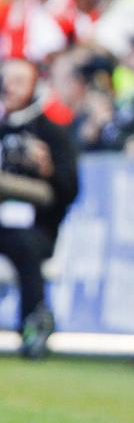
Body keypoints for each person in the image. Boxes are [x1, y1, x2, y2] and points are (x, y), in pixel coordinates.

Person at [0, 58, 79, 358]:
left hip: (36, 228)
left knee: (24, 245)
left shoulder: (52, 133)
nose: (10, 87)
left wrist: (47, 169)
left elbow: (70, 189)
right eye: (6, 80)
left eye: (20, 81)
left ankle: (33, 323)